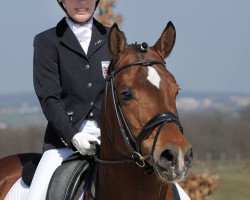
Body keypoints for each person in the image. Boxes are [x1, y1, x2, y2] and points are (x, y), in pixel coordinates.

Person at [27, 0, 111, 199]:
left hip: (111, 140)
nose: (82, 3)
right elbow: (49, 99)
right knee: (36, 195)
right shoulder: (46, 41)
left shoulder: (112, 37)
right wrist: (73, 135)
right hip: (63, 143)